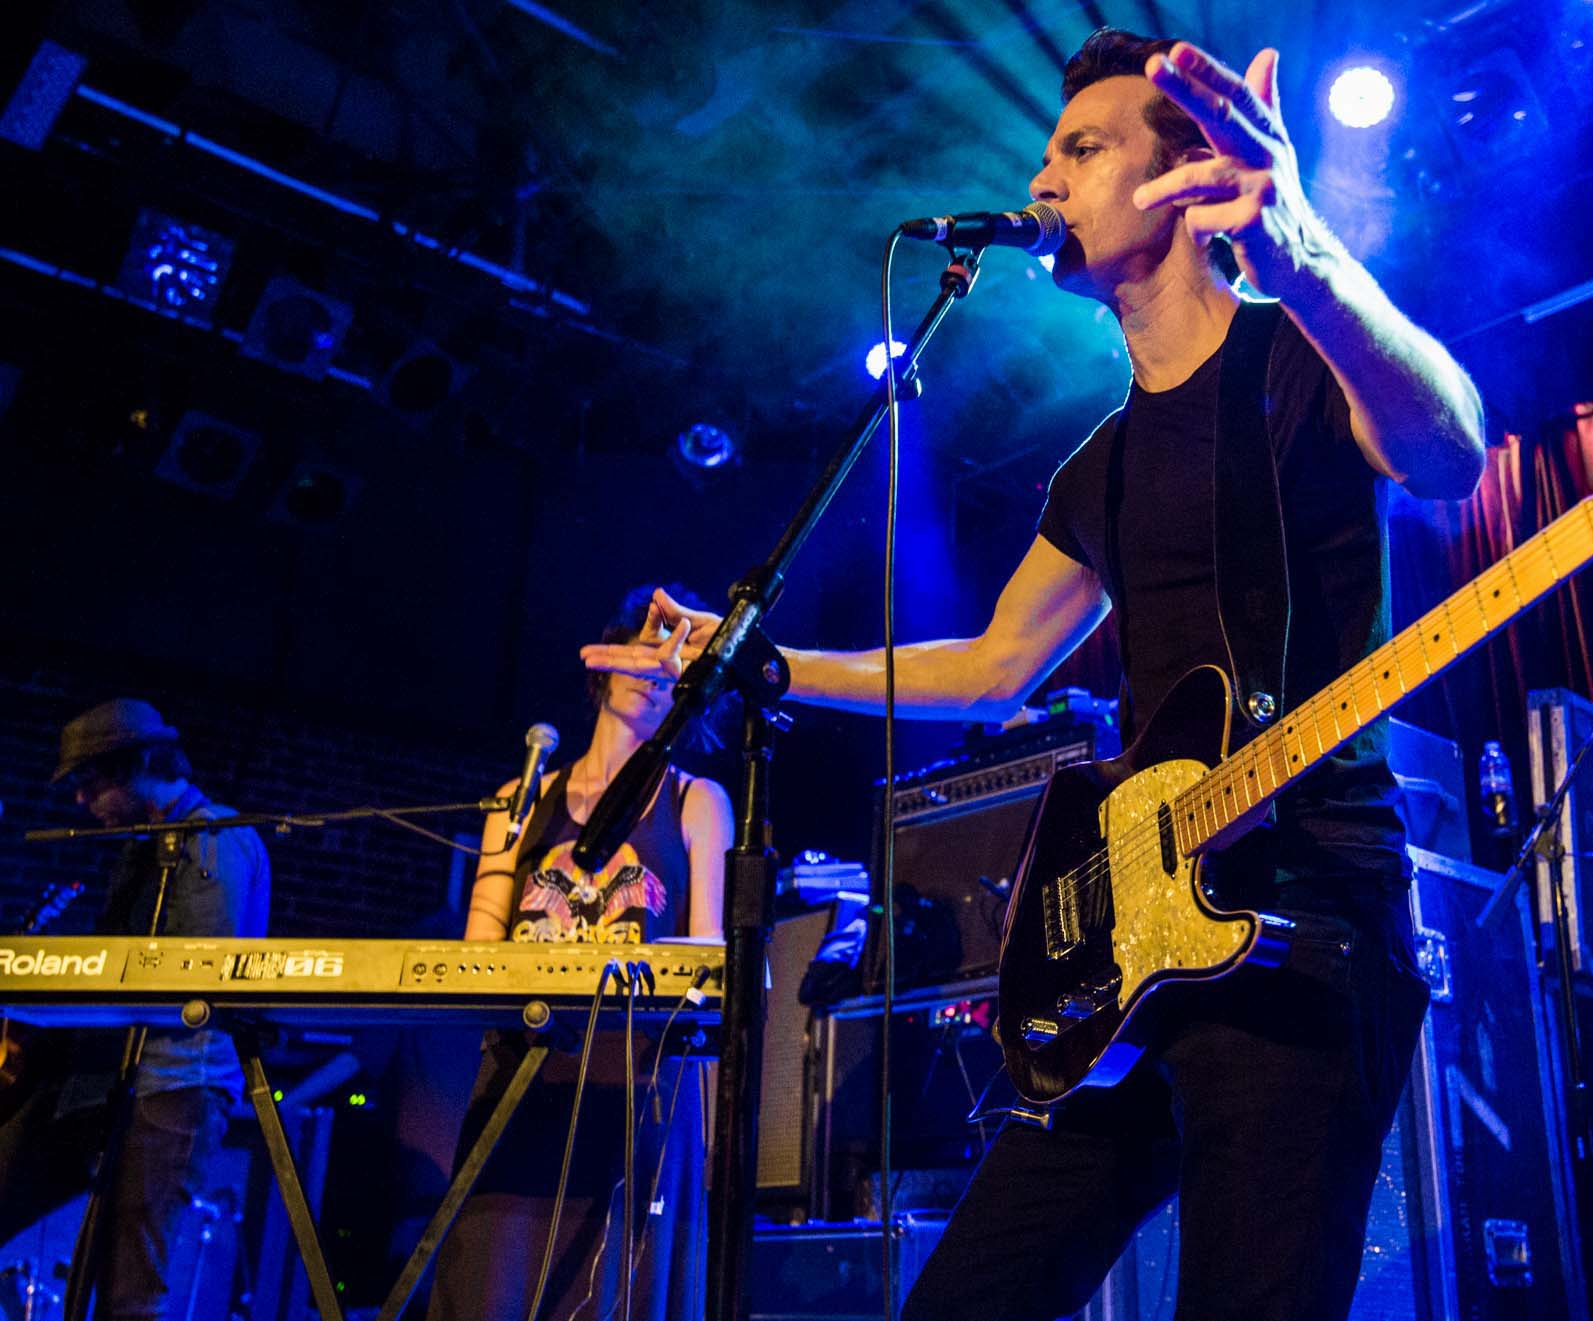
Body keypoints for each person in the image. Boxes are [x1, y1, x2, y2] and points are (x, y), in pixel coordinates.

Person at [585, 28, 1485, 1321]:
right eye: (1048, 153)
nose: (1042, 180)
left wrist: (1306, 260)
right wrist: (767, 666)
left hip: (1306, 921)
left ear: (1182, 182)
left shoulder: (1299, 355)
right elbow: (992, 666)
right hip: (1132, 943)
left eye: (1082, 148)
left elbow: (1453, 450)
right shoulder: (1096, 467)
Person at [428, 585, 733, 1321]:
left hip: (637, 1094)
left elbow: (708, 966)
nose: (653, 673)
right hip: (524, 1084)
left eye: (674, 665)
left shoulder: (697, 800)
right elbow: (478, 959)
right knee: (490, 1289)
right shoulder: (521, 797)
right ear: (605, 661)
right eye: (643, 651)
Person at [0, 698, 270, 1319]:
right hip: (108, 1078)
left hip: (176, 1084)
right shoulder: (147, 843)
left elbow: (197, 970)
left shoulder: (212, 838)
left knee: (129, 1287)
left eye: (90, 782)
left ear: (138, 765)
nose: (81, 801)